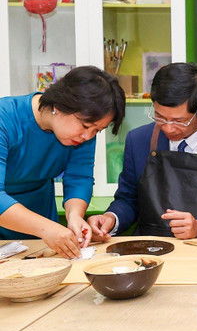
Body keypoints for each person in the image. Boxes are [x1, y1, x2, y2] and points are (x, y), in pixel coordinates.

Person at [89, 63, 197, 240]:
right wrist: (111, 218)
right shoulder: (139, 140)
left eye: (179, 121)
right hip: (151, 251)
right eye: (160, 117)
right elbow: (128, 200)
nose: (168, 129)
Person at [0, 66, 125, 258]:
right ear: (59, 105)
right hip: (27, 222)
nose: (88, 136)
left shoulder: (82, 135)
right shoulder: (5, 118)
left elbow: (79, 178)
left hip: (41, 223)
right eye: (85, 126)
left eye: (97, 131)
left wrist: (74, 216)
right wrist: (46, 229)